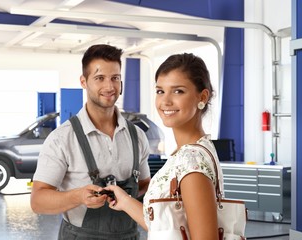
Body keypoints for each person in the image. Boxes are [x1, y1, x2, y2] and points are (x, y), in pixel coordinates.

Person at [30, 44, 151, 240]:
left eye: (115, 78)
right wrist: (78, 196)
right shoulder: (62, 138)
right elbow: (38, 201)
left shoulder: (137, 136)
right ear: (84, 82)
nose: (109, 87)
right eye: (99, 78)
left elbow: (145, 185)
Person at [105, 53, 224, 240]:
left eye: (178, 91)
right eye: (160, 91)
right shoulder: (192, 151)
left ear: (202, 96)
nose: (165, 101)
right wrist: (125, 201)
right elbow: (165, 228)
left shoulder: (191, 161)